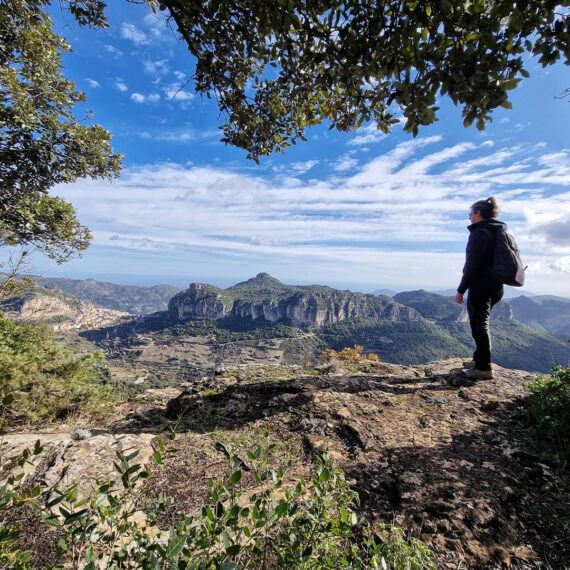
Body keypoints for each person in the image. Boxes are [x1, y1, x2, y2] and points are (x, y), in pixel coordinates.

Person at [455, 197, 505, 379]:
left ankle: (483, 368)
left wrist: (461, 289)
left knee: (479, 325)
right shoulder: (497, 230)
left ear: (478, 214)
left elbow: (472, 265)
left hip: (481, 286)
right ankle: (478, 359)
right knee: (479, 322)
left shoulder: (480, 233)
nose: (469, 217)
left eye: (470, 214)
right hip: (496, 286)